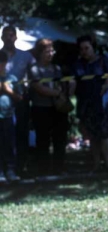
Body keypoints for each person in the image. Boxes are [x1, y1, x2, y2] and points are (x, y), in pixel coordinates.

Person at [28, 39, 75, 176]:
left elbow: (61, 85)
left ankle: (59, 168)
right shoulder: (34, 69)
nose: (50, 54)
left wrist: (68, 89)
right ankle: (43, 170)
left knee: (60, 139)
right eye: (47, 51)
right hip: (41, 108)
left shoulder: (57, 69)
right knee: (42, 140)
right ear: (40, 52)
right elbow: (39, 88)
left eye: (51, 51)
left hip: (58, 109)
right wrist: (59, 93)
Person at [72, 35, 108, 172]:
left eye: (87, 48)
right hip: (87, 105)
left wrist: (105, 85)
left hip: (104, 104)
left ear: (93, 48)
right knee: (93, 136)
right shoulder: (78, 65)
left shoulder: (105, 61)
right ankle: (96, 164)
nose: (84, 51)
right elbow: (74, 83)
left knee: (105, 134)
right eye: (82, 49)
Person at [1, 25, 35, 176]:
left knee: (21, 134)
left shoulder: (26, 56)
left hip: (20, 100)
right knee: (4, 136)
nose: (8, 38)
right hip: (2, 103)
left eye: (11, 35)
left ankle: (20, 167)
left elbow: (35, 74)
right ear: (1, 38)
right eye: (5, 35)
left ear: (15, 37)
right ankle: (4, 168)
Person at [0, 50, 22, 183]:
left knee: (9, 144)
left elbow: (20, 97)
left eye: (2, 63)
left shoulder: (12, 78)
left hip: (8, 116)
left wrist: (9, 91)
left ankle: (10, 171)